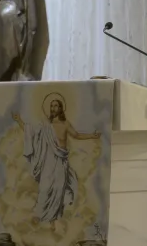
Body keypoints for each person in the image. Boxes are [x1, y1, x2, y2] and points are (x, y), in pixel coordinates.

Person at [12, 94, 101, 230]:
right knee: (45, 187)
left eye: (56, 105)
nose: (53, 108)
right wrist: (19, 120)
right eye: (51, 106)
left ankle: (53, 220)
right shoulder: (45, 125)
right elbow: (30, 133)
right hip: (48, 160)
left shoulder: (65, 124)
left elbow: (76, 135)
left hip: (61, 160)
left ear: (61, 108)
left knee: (59, 189)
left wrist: (92, 135)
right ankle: (39, 215)